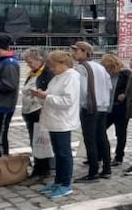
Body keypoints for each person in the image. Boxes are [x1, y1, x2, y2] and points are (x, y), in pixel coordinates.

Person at [31, 50, 80, 199]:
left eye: (53, 65)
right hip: (53, 119)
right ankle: (58, 181)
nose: (51, 69)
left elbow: (67, 101)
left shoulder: (71, 77)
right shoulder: (58, 77)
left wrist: (46, 96)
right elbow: (50, 96)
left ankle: (65, 184)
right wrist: (40, 96)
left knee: (64, 154)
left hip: (62, 121)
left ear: (63, 63)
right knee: (58, 153)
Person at [71, 41, 113, 183]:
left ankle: (93, 171)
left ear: (84, 52)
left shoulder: (82, 68)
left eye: (76, 50)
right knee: (102, 137)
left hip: (89, 107)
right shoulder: (100, 67)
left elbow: (82, 90)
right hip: (102, 106)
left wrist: (81, 104)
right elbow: (109, 86)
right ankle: (106, 168)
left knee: (90, 140)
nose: (74, 53)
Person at [20, 48, 55, 182]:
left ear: (40, 60)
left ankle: (42, 169)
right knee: (35, 142)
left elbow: (48, 93)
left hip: (39, 112)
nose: (28, 64)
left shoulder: (47, 73)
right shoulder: (33, 73)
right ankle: (39, 168)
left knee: (40, 142)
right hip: (30, 112)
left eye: (30, 61)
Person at [0, 33, 20, 165]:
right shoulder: (0, 60)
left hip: (3, 107)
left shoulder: (9, 63)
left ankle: (4, 168)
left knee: (0, 139)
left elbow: (10, 85)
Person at [101, 55, 131, 168]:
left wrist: (125, 95)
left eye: (108, 68)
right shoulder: (106, 76)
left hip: (121, 108)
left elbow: (131, 88)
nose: (108, 70)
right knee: (100, 130)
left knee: (121, 133)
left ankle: (119, 157)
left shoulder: (125, 74)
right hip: (108, 108)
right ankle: (101, 155)